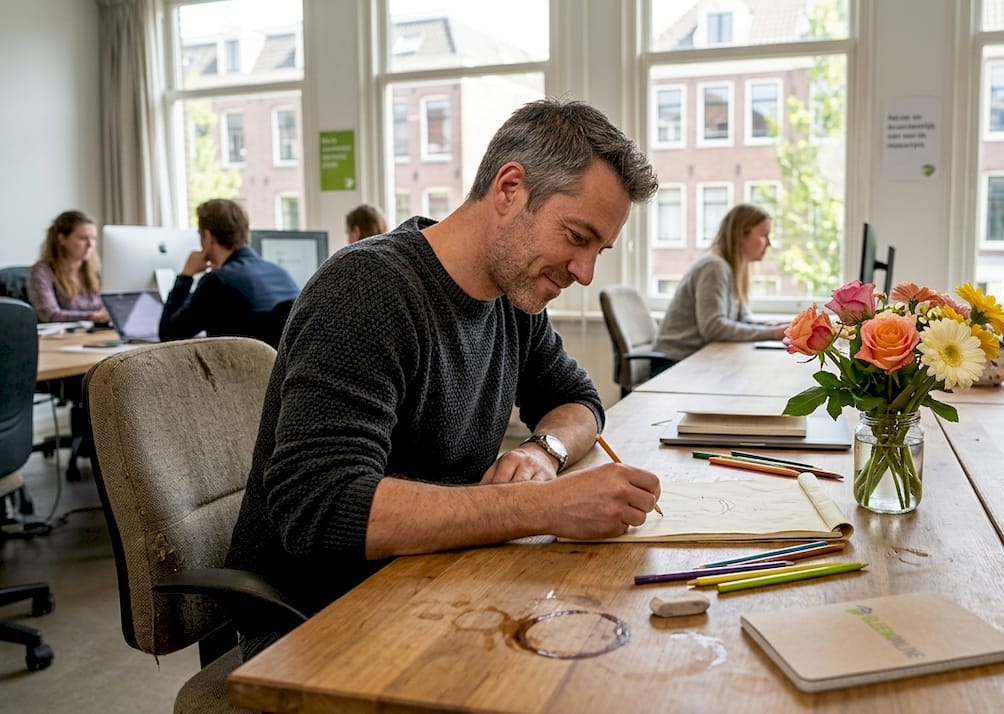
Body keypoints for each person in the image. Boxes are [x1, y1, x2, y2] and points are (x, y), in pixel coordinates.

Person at [225, 98, 662, 658]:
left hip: (436, 587)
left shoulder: (513, 301)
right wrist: (547, 505)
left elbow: (577, 399)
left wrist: (543, 452)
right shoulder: (366, 290)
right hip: (318, 622)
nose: (584, 272)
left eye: (598, 249)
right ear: (509, 189)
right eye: (577, 237)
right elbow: (323, 508)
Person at [652, 203, 787, 361]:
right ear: (742, 235)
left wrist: (772, 326)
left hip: (697, 360)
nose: (769, 243)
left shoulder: (730, 269)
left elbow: (740, 320)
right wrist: (774, 333)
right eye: (764, 234)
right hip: (673, 364)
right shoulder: (714, 267)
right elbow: (713, 328)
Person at [159, 199, 300, 342]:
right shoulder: (280, 273)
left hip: (236, 363)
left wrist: (186, 275)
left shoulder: (217, 282)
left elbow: (168, 335)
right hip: (275, 363)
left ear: (208, 237)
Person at [27, 210, 109, 323]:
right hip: (63, 337)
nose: (90, 245)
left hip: (97, 333)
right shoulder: (42, 272)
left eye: (94, 238)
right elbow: (49, 315)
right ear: (62, 239)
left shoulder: (96, 270)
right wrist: (91, 316)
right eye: (83, 238)